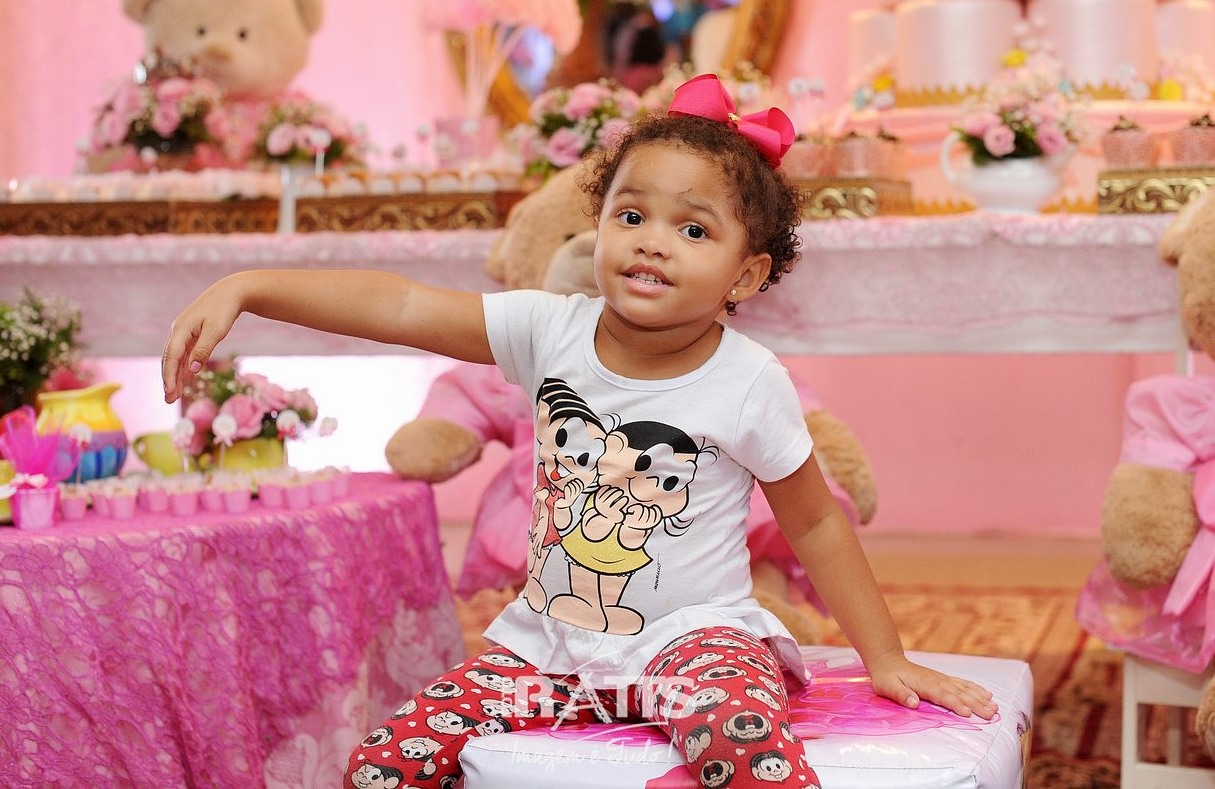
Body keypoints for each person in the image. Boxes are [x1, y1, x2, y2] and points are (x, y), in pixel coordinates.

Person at [162, 73, 997, 788]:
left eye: (693, 229)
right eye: (630, 216)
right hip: (548, 647)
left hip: (696, 645)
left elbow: (814, 522)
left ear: (746, 275)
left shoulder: (749, 382)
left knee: (749, 757)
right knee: (384, 764)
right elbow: (404, 305)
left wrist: (886, 657)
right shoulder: (549, 329)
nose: (652, 243)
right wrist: (251, 286)